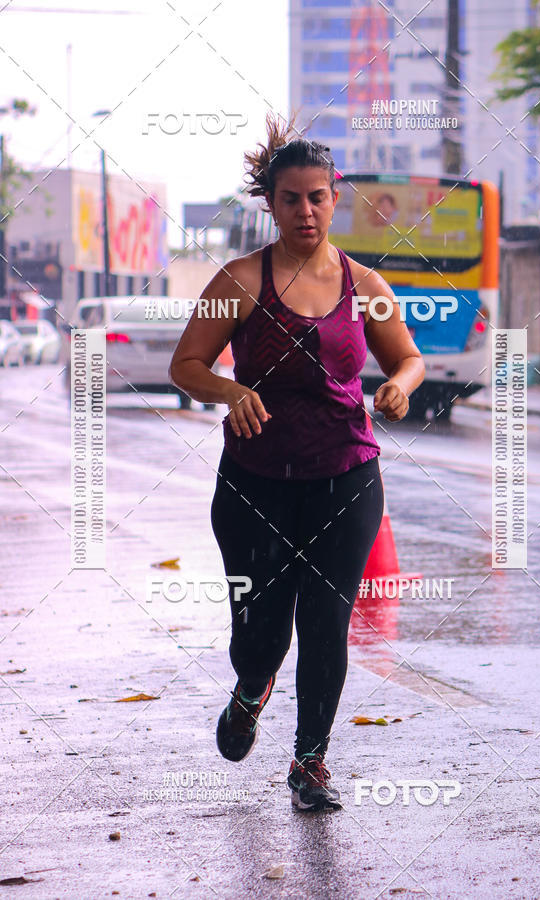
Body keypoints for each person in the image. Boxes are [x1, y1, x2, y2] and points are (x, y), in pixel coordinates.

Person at [169, 114, 425, 812]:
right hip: (255, 487)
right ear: (272, 204)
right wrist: (230, 389)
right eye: (291, 199)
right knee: (260, 631)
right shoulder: (240, 280)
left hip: (345, 479)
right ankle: (251, 689)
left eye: (317, 196)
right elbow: (185, 364)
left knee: (325, 622)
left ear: (335, 197)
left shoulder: (364, 282)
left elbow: (405, 356)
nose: (305, 210)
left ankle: (309, 763)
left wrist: (398, 385)